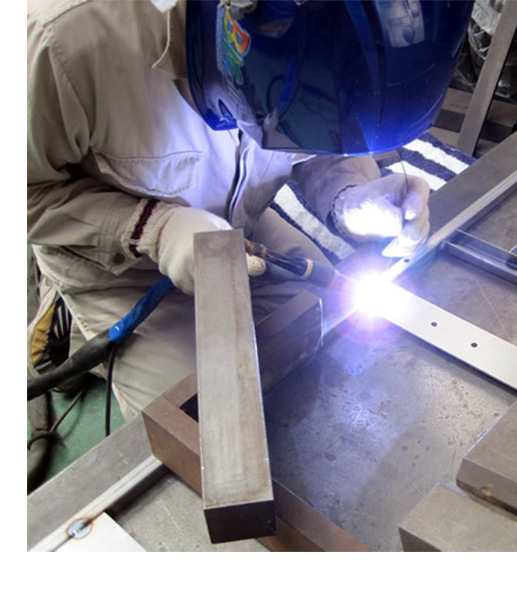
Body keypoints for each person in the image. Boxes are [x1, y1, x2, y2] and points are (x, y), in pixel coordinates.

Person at [27, 0, 473, 418]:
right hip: (121, 271)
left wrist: (351, 195)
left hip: (242, 228)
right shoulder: (64, 41)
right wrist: (156, 230)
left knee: (327, 321)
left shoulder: (324, 38)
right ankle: (70, 315)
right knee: (202, 415)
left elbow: (317, 132)